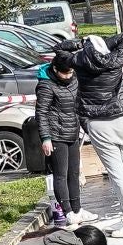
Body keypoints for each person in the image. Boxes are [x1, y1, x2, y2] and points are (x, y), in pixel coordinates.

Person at [76, 33, 123, 226]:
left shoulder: (79, 62)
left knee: (117, 173)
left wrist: (83, 44)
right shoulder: (115, 61)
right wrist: (99, 43)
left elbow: (60, 51)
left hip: (99, 123)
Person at [36, 50, 85, 227]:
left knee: (74, 172)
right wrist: (45, 138)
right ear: (55, 69)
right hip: (56, 135)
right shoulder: (46, 85)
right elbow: (41, 112)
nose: (68, 76)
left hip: (72, 131)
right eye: (65, 73)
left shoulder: (74, 78)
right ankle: (68, 212)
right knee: (61, 174)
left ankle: (78, 209)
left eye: (70, 72)